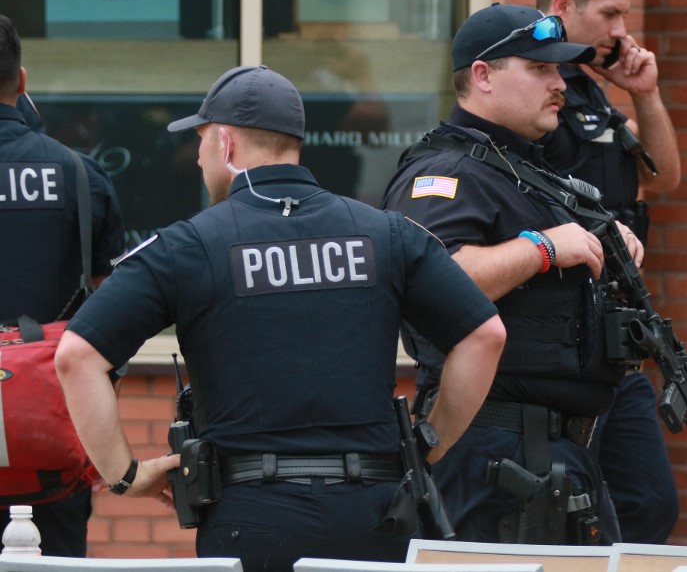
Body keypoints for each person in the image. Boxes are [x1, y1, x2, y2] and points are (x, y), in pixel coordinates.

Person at [54, 65, 506, 572]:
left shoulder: (188, 246)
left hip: (251, 518)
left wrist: (125, 475)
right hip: (376, 514)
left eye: (202, 141)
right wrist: (431, 442)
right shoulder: (386, 233)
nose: (200, 158)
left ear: (225, 143)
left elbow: (77, 357)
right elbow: (484, 335)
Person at [381, 3, 646, 545]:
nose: (560, 86)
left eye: (559, 71)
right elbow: (433, 282)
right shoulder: (445, 172)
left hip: (553, 456)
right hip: (491, 457)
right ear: (483, 76)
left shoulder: (525, 171)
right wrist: (544, 246)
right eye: (540, 69)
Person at [534, 0, 683, 544]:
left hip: (615, 335)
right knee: (572, 516)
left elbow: (662, 178)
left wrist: (643, 94)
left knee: (648, 503)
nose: (623, 31)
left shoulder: (593, 90)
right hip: (561, 340)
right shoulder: (538, 87)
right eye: (611, 15)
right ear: (564, 6)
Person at [0, 13, 126, 556]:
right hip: (51, 434)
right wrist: (97, 429)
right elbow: (119, 313)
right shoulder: (80, 174)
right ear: (22, 81)